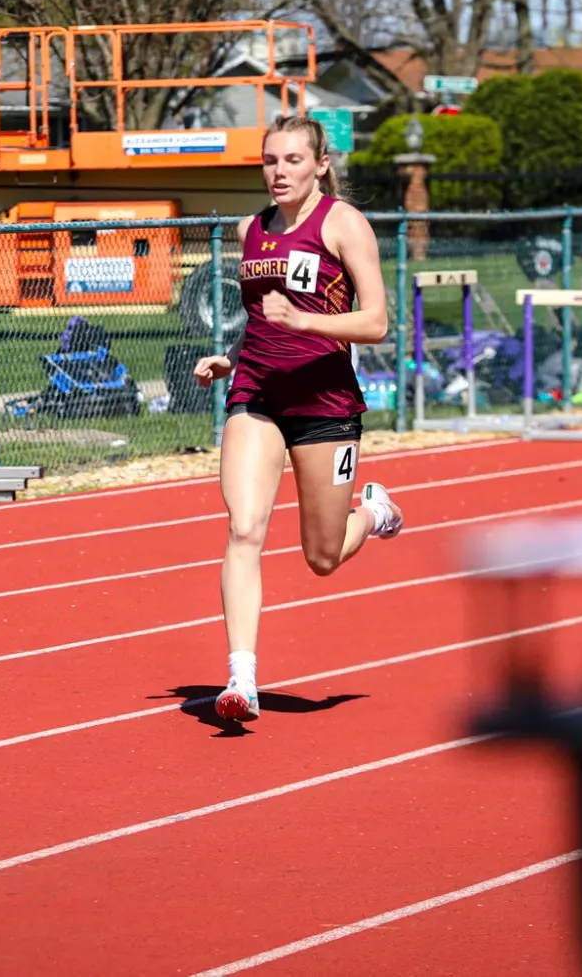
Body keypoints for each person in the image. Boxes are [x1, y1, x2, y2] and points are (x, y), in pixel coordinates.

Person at [191, 115, 403, 722]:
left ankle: (376, 510)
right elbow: (262, 319)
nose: (278, 172)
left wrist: (307, 323)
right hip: (257, 394)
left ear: (320, 165)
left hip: (326, 402)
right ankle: (242, 678)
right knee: (244, 529)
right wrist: (229, 359)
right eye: (269, 161)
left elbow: (376, 322)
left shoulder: (344, 224)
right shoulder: (250, 229)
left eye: (291, 160)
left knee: (323, 556)